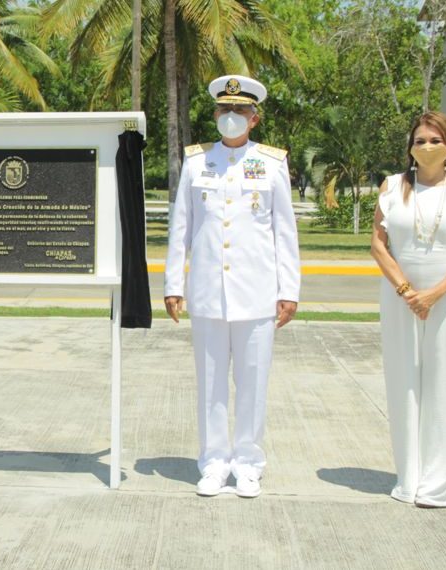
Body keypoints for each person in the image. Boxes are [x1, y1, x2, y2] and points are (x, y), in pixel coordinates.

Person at [164, 75, 301, 498]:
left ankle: (248, 463)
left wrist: (289, 290)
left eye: (240, 111)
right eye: (224, 110)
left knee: (253, 381)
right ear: (216, 115)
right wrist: (173, 283)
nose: (231, 117)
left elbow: (284, 232)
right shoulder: (196, 162)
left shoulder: (273, 164)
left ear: (254, 118)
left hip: (257, 292)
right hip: (206, 291)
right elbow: (180, 227)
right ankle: (213, 462)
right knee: (210, 383)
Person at [371, 111, 446, 508]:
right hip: (399, 294)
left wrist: (433, 294)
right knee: (404, 382)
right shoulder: (392, 187)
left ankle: (440, 485)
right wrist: (407, 290)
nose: (425, 147)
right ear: (410, 147)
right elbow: (379, 245)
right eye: (419, 141)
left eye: (434, 140)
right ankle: (409, 478)